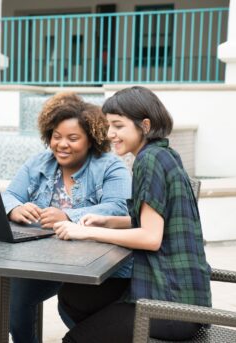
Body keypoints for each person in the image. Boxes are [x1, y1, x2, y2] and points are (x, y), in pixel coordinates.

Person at [54, 86, 211, 343]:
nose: (110, 134)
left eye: (118, 126)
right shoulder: (164, 154)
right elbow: (160, 219)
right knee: (76, 298)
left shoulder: (149, 161)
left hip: (169, 305)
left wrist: (86, 231)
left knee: (75, 339)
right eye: (109, 126)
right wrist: (110, 221)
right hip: (178, 294)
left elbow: (151, 237)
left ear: (145, 125)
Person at [2, 92, 132, 343]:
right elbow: (9, 195)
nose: (62, 144)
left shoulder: (110, 166)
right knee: (15, 300)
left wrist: (69, 215)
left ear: (91, 140)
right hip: (44, 260)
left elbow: (119, 208)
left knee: (73, 309)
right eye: (56, 136)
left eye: (73, 138)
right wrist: (14, 209)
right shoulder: (38, 163)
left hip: (95, 263)